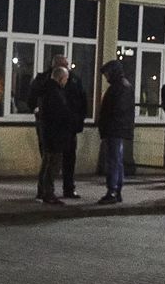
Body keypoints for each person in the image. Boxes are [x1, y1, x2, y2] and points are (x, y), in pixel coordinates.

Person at [26, 59, 77, 204]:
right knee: (53, 164)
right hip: (55, 134)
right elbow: (60, 113)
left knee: (47, 162)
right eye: (66, 79)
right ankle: (48, 193)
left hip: (48, 132)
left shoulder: (46, 89)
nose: (66, 82)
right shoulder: (55, 93)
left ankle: (42, 192)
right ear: (61, 78)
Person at [95, 58, 135, 203]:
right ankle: (115, 190)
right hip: (117, 128)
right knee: (116, 160)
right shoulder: (122, 85)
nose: (105, 77)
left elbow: (116, 110)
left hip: (115, 129)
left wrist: (106, 124)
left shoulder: (120, 87)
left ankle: (112, 191)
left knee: (114, 160)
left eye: (106, 73)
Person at [60, 60, 90, 199]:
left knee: (69, 159)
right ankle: (46, 190)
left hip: (70, 127)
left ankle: (68, 188)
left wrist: (79, 121)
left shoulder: (75, 80)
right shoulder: (48, 80)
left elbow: (83, 102)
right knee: (50, 160)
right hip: (55, 127)